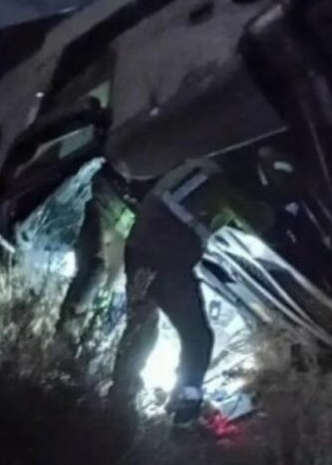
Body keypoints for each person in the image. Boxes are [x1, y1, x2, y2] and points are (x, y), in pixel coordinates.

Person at [95, 157, 275, 428]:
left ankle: (119, 399)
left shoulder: (192, 167)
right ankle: (185, 411)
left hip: (138, 252)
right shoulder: (218, 185)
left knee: (140, 327)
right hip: (167, 263)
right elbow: (258, 222)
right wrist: (271, 205)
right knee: (198, 337)